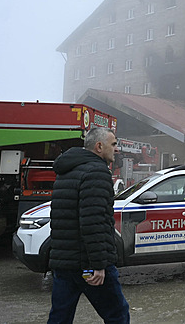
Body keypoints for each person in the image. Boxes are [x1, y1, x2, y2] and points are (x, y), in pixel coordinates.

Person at [48, 127, 130, 324]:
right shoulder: (97, 172)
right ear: (99, 146)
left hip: (64, 263)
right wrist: (98, 265)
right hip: (88, 265)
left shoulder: (67, 170)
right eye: (113, 144)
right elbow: (93, 222)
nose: (116, 149)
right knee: (117, 314)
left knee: (60, 317)